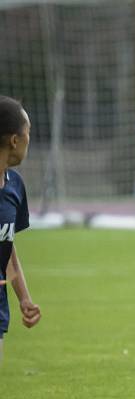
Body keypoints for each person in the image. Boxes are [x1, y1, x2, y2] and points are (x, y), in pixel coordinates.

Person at [0, 95, 42, 364]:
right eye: (27, 133)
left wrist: (24, 297)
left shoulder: (14, 186)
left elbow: (5, 243)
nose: (29, 140)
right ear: (15, 140)